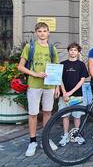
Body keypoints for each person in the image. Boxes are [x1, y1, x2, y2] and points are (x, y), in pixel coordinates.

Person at [18, 22, 59, 156]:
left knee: (47, 112)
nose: (42, 33)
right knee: (33, 114)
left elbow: (57, 69)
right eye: (40, 31)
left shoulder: (52, 49)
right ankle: (32, 141)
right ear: (36, 33)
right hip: (34, 85)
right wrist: (35, 74)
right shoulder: (30, 47)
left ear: (48, 33)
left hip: (49, 86)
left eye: (44, 31)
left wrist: (57, 86)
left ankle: (45, 139)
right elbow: (20, 66)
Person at [55, 43, 89, 146]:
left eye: (75, 50)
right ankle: (65, 135)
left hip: (77, 95)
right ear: (68, 51)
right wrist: (64, 92)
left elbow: (82, 80)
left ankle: (76, 134)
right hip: (64, 95)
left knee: (77, 116)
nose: (73, 52)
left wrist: (70, 92)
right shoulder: (63, 64)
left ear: (78, 52)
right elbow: (59, 79)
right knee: (65, 116)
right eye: (71, 50)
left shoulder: (81, 65)